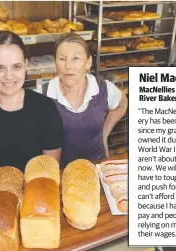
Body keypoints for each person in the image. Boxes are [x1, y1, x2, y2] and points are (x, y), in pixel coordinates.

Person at [0, 31, 63, 172]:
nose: (9, 76)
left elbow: (49, 171)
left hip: (35, 191)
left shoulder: (45, 109)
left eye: (16, 66)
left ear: (26, 64)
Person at [38, 33, 128, 168]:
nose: (68, 66)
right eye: (62, 59)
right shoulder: (42, 95)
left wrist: (104, 134)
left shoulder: (104, 89)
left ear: (88, 63)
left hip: (97, 169)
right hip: (61, 174)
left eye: (76, 58)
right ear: (55, 63)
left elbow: (121, 105)